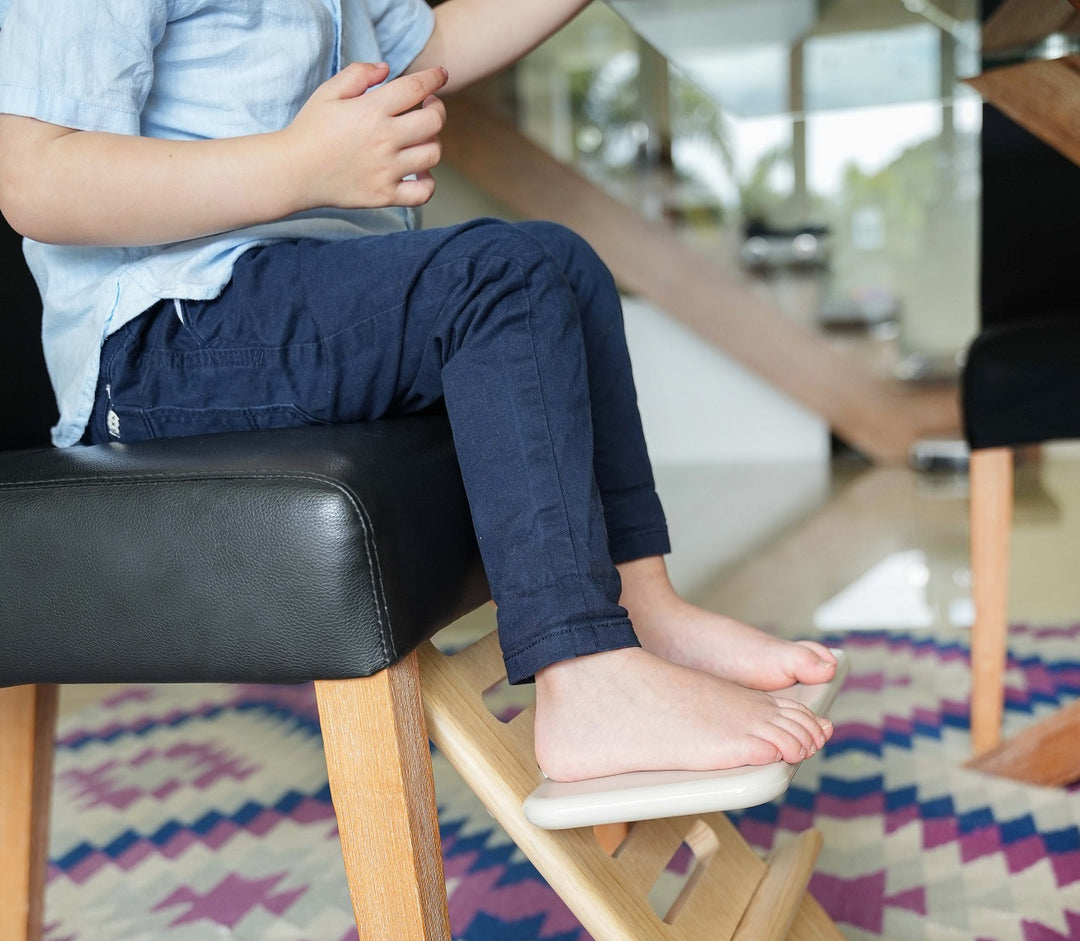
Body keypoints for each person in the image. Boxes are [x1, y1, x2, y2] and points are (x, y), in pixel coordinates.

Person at [0, 0, 836, 783]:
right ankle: (584, 680)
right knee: (497, 279)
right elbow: (37, 180)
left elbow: (423, 46)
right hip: (161, 339)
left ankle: (638, 604)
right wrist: (301, 165)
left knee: (560, 262)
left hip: (287, 297)